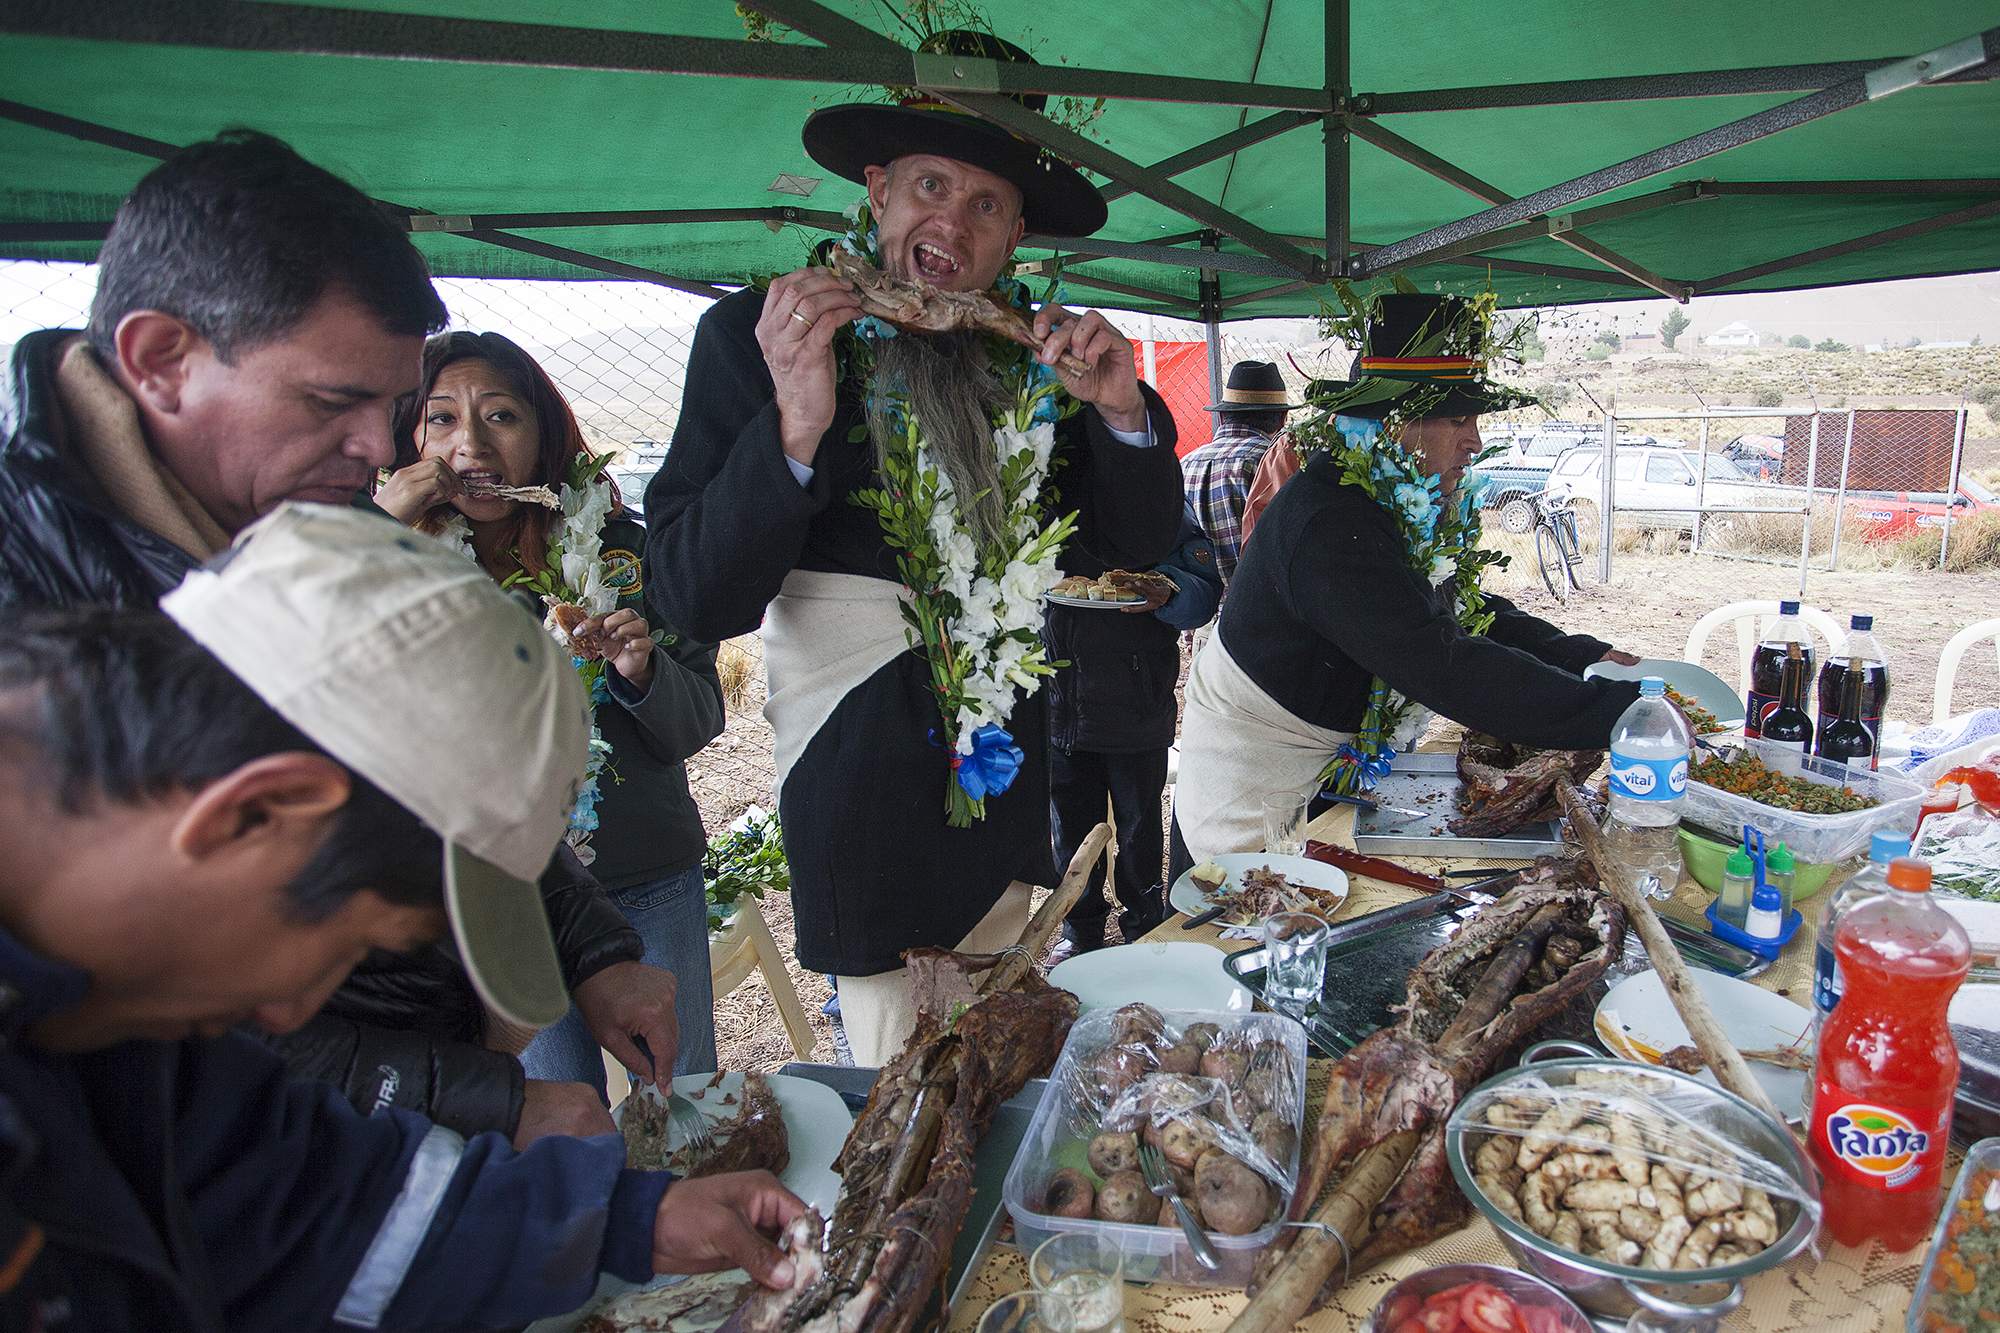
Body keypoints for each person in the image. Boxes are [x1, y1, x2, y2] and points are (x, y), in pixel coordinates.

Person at [0, 128, 667, 1144]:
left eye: (390, 406)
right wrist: (480, 1098)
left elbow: (460, 765)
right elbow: (153, 1022)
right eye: (332, 400)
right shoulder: (33, 611)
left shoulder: (313, 511)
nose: (376, 447)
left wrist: (592, 951)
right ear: (162, 360)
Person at [0, 504, 802, 1331]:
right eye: (347, 950)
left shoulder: (147, 1022)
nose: (289, 1014)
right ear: (253, 814)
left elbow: (311, 1200)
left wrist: (633, 1220)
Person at [645, 30, 1184, 1066]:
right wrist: (795, 423)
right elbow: (693, 596)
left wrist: (1121, 413)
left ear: (1016, 234)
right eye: (930, 186)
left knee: (1012, 1060)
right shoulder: (762, 340)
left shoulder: (1032, 361)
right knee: (911, 1088)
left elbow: (1132, 545)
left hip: (1011, 786)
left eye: (985, 204)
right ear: (878, 189)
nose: (951, 222)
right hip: (863, 792)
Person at [1176, 293, 1644, 864]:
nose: (1475, 441)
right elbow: (1441, 659)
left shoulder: (1385, 499)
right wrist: (1619, 714)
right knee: (1260, 909)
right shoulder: (1333, 519)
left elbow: (1459, 608)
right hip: (1254, 783)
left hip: (1325, 761)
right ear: (1395, 420)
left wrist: (1584, 657)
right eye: (1458, 419)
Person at [379, 330, 726, 1085]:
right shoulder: (393, 569)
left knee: (681, 1095)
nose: (470, 443)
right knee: (559, 1117)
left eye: (500, 415)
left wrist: (642, 672)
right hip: (504, 898)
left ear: (544, 436)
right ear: (409, 443)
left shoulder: (626, 555)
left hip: (645, 878)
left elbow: (699, 719)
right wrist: (378, 535)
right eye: (441, 419)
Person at [1045, 503, 1222, 959]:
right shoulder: (1037, 494)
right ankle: (1080, 932)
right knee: (1070, 829)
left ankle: (1143, 930)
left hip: (1137, 705)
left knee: (1139, 829)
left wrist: (1170, 589)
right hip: (1060, 701)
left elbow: (1204, 593)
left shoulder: (1156, 503)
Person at [1179, 361, 1298, 587]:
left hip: (1196, 602)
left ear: (1222, 417)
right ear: (1283, 419)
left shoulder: (1184, 464)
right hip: (1254, 601)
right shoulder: (1272, 462)